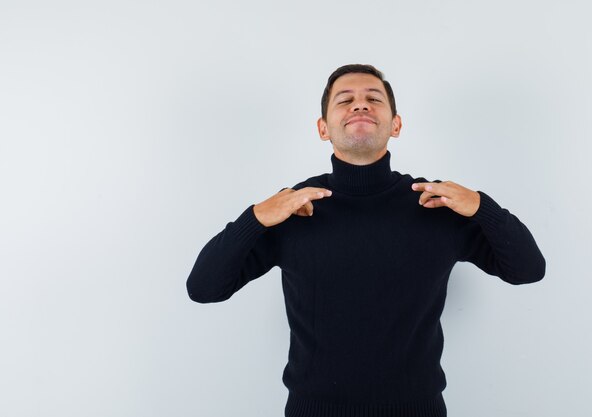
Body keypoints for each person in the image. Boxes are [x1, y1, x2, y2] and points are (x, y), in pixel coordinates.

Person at [186, 63, 546, 417]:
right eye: (345, 100)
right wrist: (256, 217)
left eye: (373, 98)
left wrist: (483, 207)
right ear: (323, 128)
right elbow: (204, 287)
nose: (360, 105)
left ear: (396, 124)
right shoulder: (294, 208)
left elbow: (528, 269)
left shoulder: (435, 203)